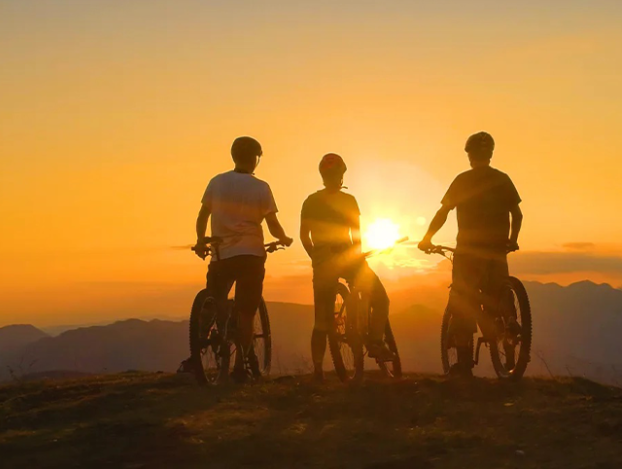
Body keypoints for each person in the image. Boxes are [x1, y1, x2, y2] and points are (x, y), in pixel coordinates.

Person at [417, 132, 523, 377]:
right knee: (499, 292)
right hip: (497, 250)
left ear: (469, 155)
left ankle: (464, 364)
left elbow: (443, 212)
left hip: (469, 251)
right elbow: (517, 215)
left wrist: (427, 237)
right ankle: (508, 324)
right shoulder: (503, 179)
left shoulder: (462, 181)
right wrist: (512, 240)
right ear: (490, 154)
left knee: (463, 300)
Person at [191, 136, 293, 383]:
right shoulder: (261, 187)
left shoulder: (216, 182)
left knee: (214, 298)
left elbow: (203, 215)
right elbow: (273, 225)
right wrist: (285, 238)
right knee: (247, 313)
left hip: (221, 254)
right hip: (251, 255)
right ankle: (239, 367)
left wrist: (201, 239)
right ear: (255, 158)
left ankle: (201, 340)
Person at [299, 154, 394, 381]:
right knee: (381, 299)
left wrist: (316, 258)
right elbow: (356, 236)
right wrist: (359, 259)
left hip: (323, 260)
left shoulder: (311, 201)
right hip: (349, 257)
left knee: (321, 320)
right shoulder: (349, 200)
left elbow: (304, 236)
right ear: (341, 175)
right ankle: (375, 342)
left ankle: (318, 371)